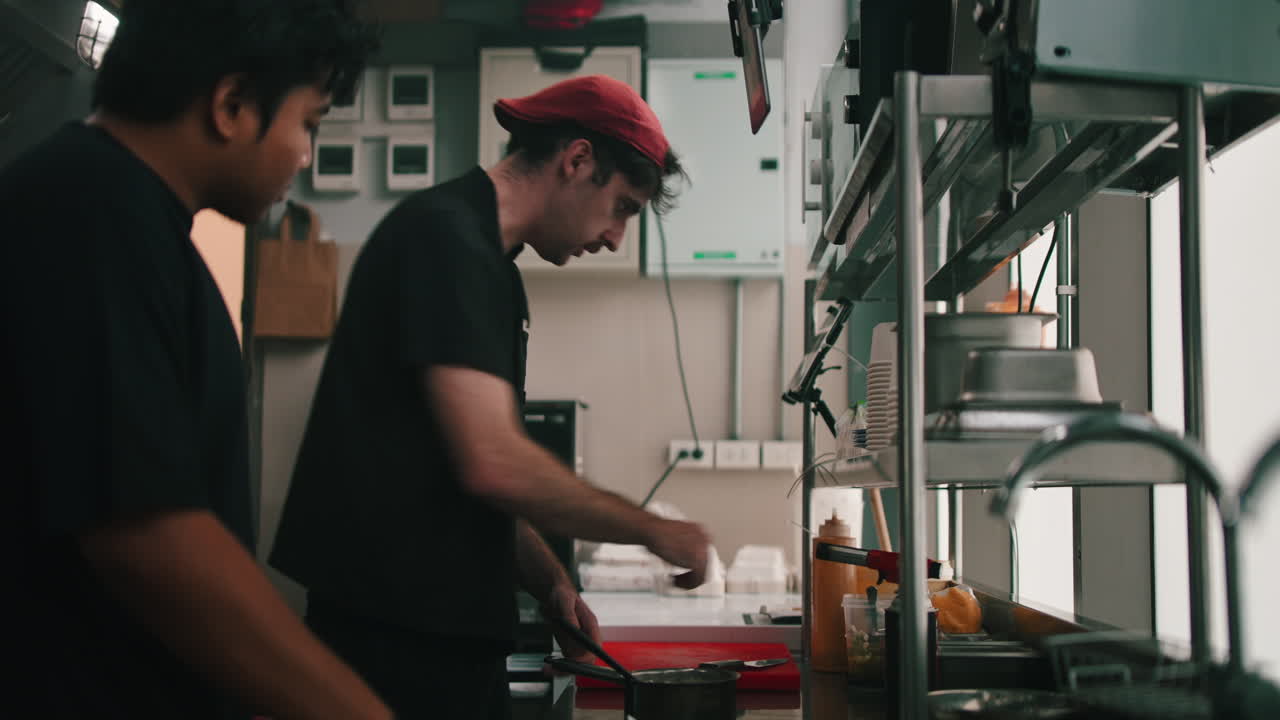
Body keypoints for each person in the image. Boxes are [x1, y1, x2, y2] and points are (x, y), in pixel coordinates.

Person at [269, 75, 713, 719]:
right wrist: (654, 531)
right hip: (396, 642)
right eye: (622, 206)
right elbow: (494, 462)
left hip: (442, 636)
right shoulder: (444, 239)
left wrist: (551, 584)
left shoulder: (489, 268)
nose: (617, 237)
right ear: (577, 160)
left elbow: (466, 475)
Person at [0, 2, 393, 718]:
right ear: (232, 104)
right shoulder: (93, 216)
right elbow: (149, 536)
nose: (306, 155)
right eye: (309, 123)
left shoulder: (128, 218)